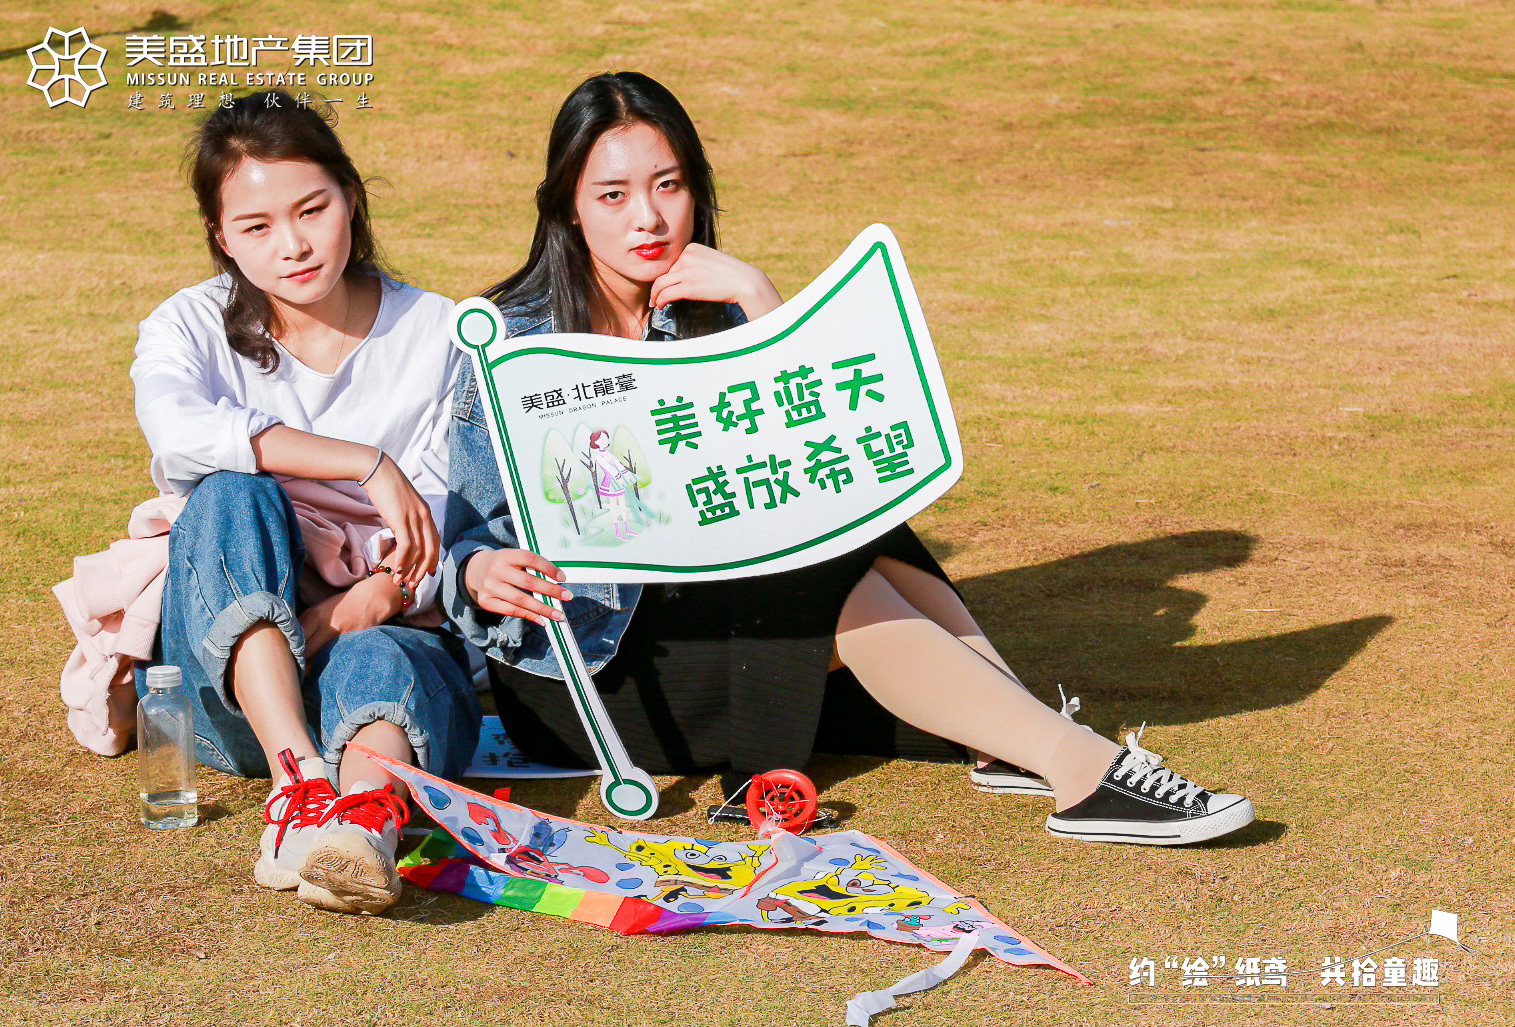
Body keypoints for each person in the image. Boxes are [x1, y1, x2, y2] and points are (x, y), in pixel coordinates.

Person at [443, 72, 1253, 846]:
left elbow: (815, 465)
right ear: (569, 206)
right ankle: (1079, 767)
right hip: (588, 672)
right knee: (826, 573)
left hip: (721, 620)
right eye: (613, 195)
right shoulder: (512, 344)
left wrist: (761, 301)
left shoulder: (714, 313)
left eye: (669, 185)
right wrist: (481, 572)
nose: (647, 219)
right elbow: (464, 545)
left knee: (861, 529)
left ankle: (1032, 745)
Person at [129, 91, 478, 912]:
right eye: (255, 226)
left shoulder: (438, 331)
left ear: (350, 196)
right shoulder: (187, 326)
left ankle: (361, 825)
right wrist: (365, 464)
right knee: (229, 492)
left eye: (312, 209)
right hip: (230, 696)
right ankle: (299, 786)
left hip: (379, 652)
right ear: (221, 237)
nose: (292, 245)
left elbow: (442, 533)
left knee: (386, 650)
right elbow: (179, 434)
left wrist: (364, 600)